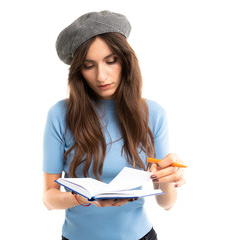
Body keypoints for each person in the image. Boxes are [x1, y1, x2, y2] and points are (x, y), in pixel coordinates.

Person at [42, 10, 186, 240]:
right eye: (89, 65)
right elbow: (49, 198)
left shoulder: (153, 114)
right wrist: (85, 198)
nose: (101, 76)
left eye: (111, 61)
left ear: (125, 61)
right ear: (78, 71)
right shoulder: (60, 114)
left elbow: (166, 204)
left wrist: (167, 178)